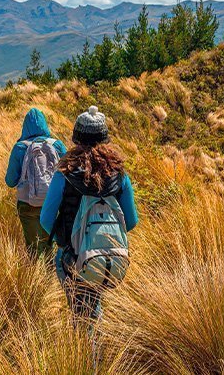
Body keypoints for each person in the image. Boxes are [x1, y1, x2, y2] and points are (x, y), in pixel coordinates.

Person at [40, 105, 138, 324]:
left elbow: (45, 220)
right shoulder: (119, 175)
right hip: (109, 258)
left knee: (81, 314)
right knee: (93, 304)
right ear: (104, 139)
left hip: (73, 257)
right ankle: (94, 349)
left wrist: (67, 241)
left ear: (76, 138)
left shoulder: (64, 175)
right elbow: (131, 221)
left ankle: (88, 356)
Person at [5, 108, 67, 258]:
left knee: (33, 247)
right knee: (50, 245)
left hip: (27, 204)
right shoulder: (57, 145)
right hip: (52, 203)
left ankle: (35, 277)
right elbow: (68, 174)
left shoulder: (20, 148)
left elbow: (10, 181)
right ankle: (51, 276)